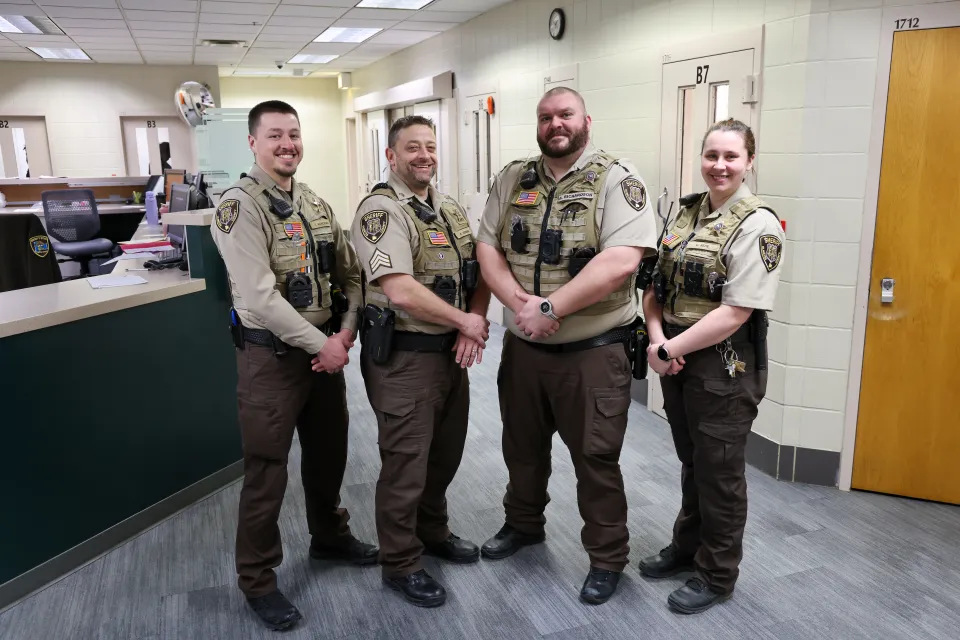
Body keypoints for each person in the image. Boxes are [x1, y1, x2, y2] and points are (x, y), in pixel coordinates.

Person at [475, 87, 657, 605]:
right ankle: (524, 524)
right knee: (521, 447)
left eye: (565, 115)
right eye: (546, 117)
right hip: (526, 350)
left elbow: (621, 260)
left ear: (586, 121)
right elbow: (487, 245)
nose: (556, 124)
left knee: (595, 458)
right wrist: (518, 302)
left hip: (592, 352)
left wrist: (551, 308)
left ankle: (606, 557)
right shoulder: (513, 177)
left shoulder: (617, 179)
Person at [210, 100, 377, 631]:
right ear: (254, 144)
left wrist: (346, 330)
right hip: (272, 360)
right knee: (267, 472)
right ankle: (258, 580)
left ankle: (329, 537)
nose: (288, 145)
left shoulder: (315, 203)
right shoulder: (238, 207)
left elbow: (352, 277)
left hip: (326, 352)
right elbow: (258, 297)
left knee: (329, 454)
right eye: (276, 136)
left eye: (295, 135)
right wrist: (320, 344)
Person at [638, 118, 784, 614]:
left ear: (749, 162)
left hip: (725, 364)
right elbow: (654, 288)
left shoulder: (758, 224)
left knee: (720, 473)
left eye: (731, 157)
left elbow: (734, 312)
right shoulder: (684, 215)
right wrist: (659, 341)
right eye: (711, 156)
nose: (719, 166)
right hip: (675, 353)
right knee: (693, 461)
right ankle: (687, 547)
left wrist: (671, 350)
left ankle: (717, 574)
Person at [347, 115, 491, 608]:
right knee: (406, 465)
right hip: (405, 360)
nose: (424, 155)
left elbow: (479, 270)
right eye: (412, 148)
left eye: (430, 146)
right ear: (391, 155)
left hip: (450, 356)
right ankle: (400, 561)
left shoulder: (448, 209)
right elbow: (400, 290)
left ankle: (433, 532)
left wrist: (472, 319)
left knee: (443, 455)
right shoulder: (381, 212)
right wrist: (466, 323)